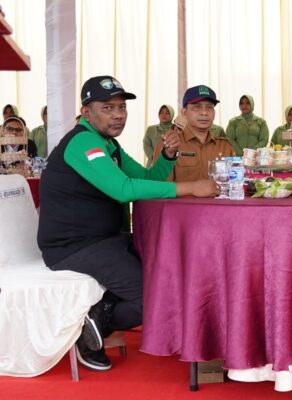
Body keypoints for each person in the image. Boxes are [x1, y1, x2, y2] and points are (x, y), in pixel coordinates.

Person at [37, 75, 219, 372]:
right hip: (73, 247)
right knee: (153, 297)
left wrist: (168, 157)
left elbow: (147, 180)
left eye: (121, 107)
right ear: (86, 112)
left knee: (169, 267)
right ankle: (91, 327)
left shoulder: (108, 145)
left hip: (105, 240)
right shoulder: (83, 142)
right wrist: (190, 187)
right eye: (108, 108)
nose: (119, 114)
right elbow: (123, 189)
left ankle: (100, 310)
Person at [153, 85, 235, 182]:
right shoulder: (169, 144)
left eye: (209, 107)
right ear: (184, 112)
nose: (204, 112)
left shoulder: (225, 147)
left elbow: (235, 184)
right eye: (197, 107)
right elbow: (160, 187)